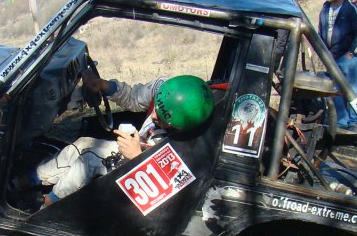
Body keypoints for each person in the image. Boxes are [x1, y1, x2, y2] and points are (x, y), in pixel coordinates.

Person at [17, 71, 214, 207]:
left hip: (143, 173)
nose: (154, 116)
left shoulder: (188, 145)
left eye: (163, 120)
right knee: (83, 144)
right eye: (157, 109)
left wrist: (137, 157)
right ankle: (25, 181)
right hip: (137, 151)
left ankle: (47, 204)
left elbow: (168, 185)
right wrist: (104, 85)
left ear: (180, 128)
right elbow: (134, 97)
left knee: (90, 159)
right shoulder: (163, 88)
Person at [318, 0, 357, 131]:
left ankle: (355, 121)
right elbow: (321, 31)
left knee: (352, 89)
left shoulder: (351, 10)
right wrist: (322, 52)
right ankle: (341, 121)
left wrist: (352, 52)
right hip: (331, 57)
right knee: (335, 89)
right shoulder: (325, 9)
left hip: (348, 57)